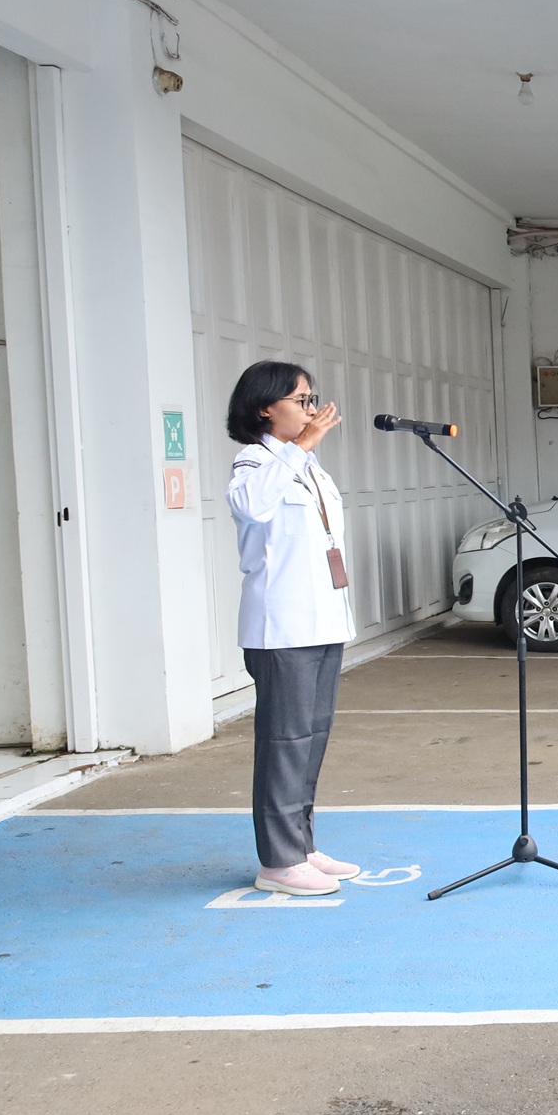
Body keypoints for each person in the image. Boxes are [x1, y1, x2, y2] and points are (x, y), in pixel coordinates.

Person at [223, 360, 361, 898]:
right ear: (265, 407)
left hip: (322, 620)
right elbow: (252, 507)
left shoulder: (307, 467)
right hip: (282, 626)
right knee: (284, 741)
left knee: (312, 737)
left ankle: (301, 845)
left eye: (311, 399)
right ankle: (278, 861)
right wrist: (299, 447)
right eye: (300, 400)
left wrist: (303, 452)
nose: (311, 409)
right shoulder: (255, 463)